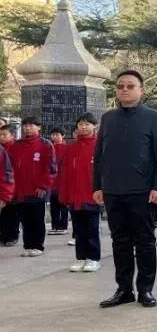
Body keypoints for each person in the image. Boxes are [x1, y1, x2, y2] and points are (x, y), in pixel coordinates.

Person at [94, 70, 157, 308]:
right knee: (120, 242)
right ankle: (124, 289)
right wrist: (97, 185)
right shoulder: (108, 119)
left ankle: (145, 289)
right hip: (113, 190)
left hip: (142, 191)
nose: (125, 89)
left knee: (145, 241)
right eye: (121, 86)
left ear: (141, 90)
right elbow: (99, 155)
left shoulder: (154, 118)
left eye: (130, 86)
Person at [58, 113, 101, 273]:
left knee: (92, 228)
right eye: (81, 124)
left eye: (87, 124)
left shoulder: (99, 145)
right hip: (74, 195)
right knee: (78, 229)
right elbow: (64, 172)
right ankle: (81, 257)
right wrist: (64, 193)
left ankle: (94, 258)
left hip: (92, 194)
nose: (84, 127)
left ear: (94, 126)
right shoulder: (71, 147)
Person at [10, 117, 57, 258]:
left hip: (37, 190)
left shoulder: (46, 145)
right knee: (25, 219)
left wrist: (43, 186)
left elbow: (51, 168)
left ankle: (37, 246)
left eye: (31, 126)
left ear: (38, 128)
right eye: (25, 126)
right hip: (20, 190)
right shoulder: (16, 146)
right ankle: (28, 245)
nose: (27, 128)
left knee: (36, 218)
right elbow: (10, 167)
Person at [48, 126, 69, 236]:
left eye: (57, 134)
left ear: (63, 136)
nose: (54, 137)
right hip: (52, 182)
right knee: (53, 206)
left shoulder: (67, 148)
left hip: (63, 181)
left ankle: (63, 226)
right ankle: (54, 226)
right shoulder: (49, 147)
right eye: (53, 135)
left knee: (63, 205)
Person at [0, 125, 19, 247]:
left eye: (4, 135)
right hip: (5, 185)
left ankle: (12, 236)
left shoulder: (17, 148)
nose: (1, 137)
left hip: (12, 185)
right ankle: (3, 235)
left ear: (13, 135)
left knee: (11, 213)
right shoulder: (2, 148)